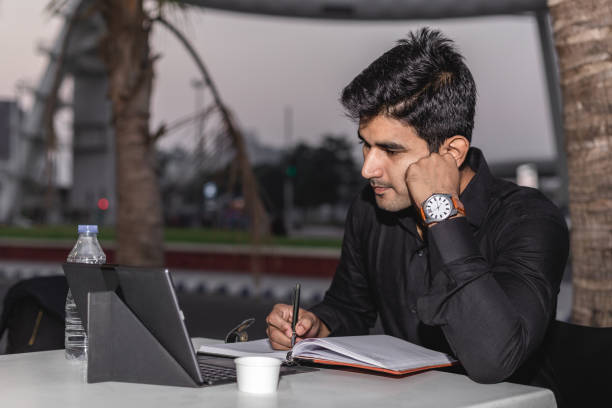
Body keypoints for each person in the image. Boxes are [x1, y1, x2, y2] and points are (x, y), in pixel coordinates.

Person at [265, 27, 569, 385]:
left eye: (391, 150)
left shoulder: (528, 220)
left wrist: (440, 210)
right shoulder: (372, 208)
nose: (368, 169)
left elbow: (494, 358)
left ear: (451, 153)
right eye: (366, 144)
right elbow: (350, 305)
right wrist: (317, 324)